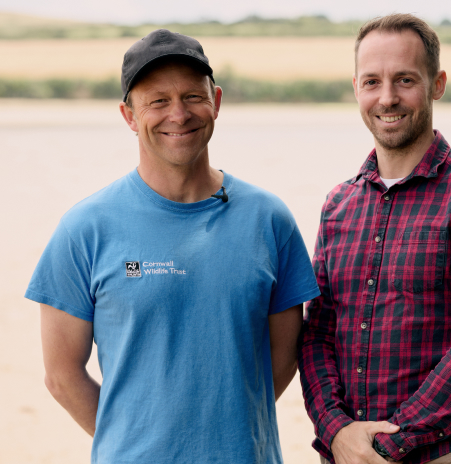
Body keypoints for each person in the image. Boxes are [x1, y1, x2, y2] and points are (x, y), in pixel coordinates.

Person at [26, 29, 320, 464]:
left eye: (191, 97)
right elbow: (62, 376)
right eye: (157, 100)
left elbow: (283, 359)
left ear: (216, 101)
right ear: (129, 115)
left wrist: (221, 433)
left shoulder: (268, 219)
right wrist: (134, 441)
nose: (178, 114)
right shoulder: (85, 228)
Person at [298, 14, 451, 464]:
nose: (387, 98)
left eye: (405, 80)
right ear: (356, 89)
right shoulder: (339, 204)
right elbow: (317, 333)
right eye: (372, 81)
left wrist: (387, 445)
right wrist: (337, 431)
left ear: (437, 84)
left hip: (441, 455)